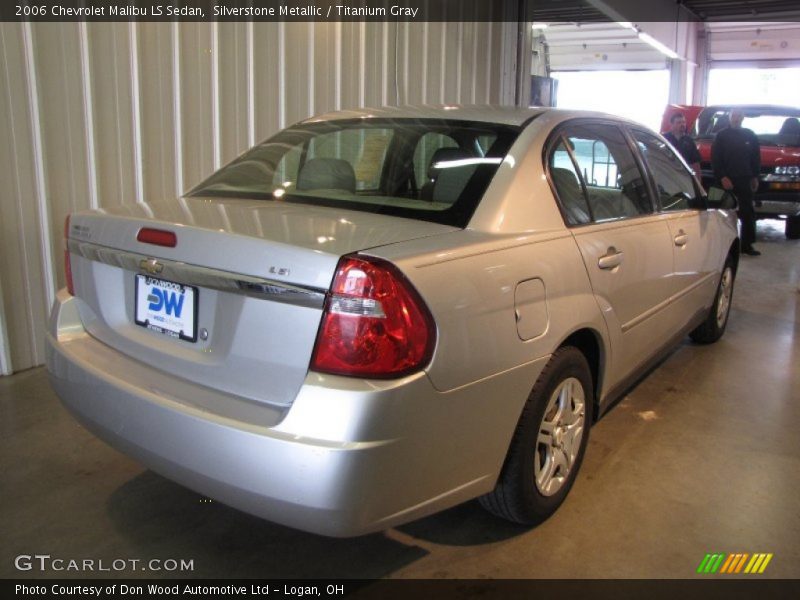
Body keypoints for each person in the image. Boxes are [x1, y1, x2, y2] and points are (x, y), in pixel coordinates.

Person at [712, 108, 761, 256]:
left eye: (739, 116)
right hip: (723, 180)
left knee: (748, 211)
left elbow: (756, 158)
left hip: (745, 178)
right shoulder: (721, 136)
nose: (736, 118)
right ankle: (717, 243)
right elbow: (715, 159)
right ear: (729, 117)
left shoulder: (750, 135)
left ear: (743, 117)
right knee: (716, 210)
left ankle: (747, 245)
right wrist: (722, 177)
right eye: (734, 116)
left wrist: (755, 176)